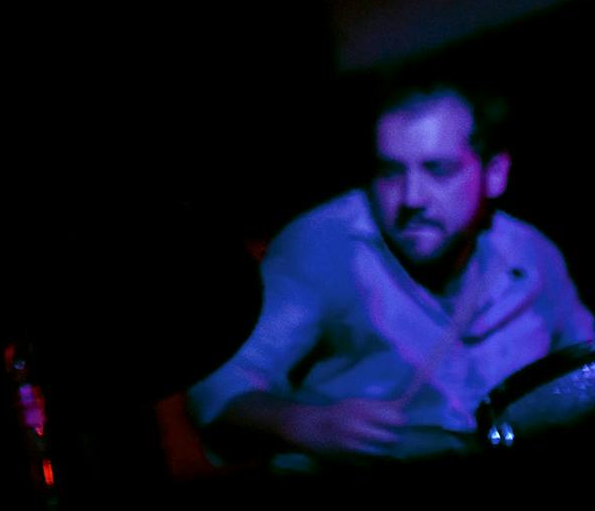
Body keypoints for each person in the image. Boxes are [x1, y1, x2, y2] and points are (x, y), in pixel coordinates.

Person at [188, 75, 595, 468]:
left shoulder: (530, 251)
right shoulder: (323, 245)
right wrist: (304, 424)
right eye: (390, 172)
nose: (411, 198)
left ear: (494, 174)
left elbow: (585, 366)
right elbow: (218, 382)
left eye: (438, 170)